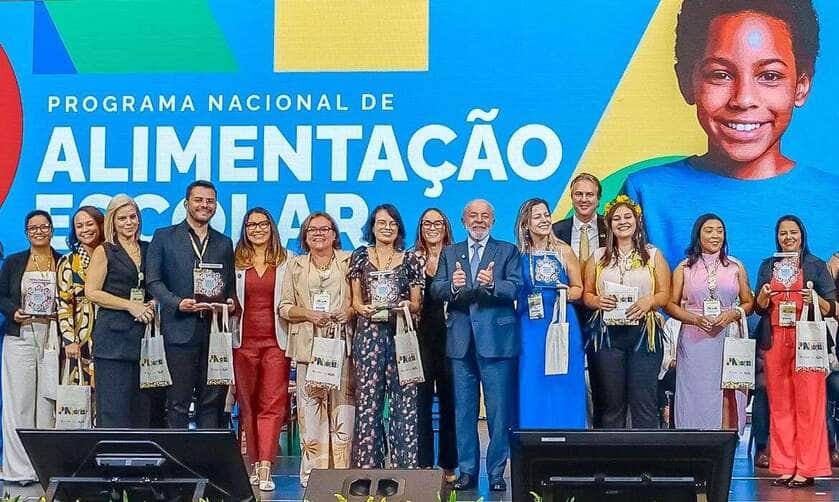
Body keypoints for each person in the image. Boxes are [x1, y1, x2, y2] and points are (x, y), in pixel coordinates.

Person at [622, 0, 839, 278]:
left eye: (769, 76)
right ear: (687, 82)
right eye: (720, 75)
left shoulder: (833, 197)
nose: (743, 99)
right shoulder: (645, 192)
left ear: (801, 85)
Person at [430, 199, 522, 492]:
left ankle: (496, 472)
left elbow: (517, 286)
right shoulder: (450, 252)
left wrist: (493, 284)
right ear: (463, 220)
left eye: (485, 216)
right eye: (473, 215)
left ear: (493, 221)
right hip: (460, 344)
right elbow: (436, 289)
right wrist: (454, 287)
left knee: (498, 413)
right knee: (464, 413)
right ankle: (466, 471)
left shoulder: (507, 250)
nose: (479, 220)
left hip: (497, 343)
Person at [754, 215, 836, 487]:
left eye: (793, 232)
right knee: (780, 405)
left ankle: (808, 467)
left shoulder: (815, 265)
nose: (788, 237)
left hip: (807, 342)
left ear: (802, 235)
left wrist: (815, 299)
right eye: (783, 233)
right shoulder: (769, 266)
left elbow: (834, 307)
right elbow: (758, 306)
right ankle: (785, 465)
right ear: (776, 237)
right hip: (775, 339)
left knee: (810, 404)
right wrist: (764, 296)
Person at [146, 180, 236, 428]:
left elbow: (229, 288)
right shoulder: (164, 236)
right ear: (187, 203)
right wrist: (176, 303)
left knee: (212, 402)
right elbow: (153, 281)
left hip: (214, 333)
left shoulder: (224, 242)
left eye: (210, 201)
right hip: (178, 331)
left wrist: (228, 305)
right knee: (178, 402)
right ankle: (177, 465)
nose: (204, 205)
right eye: (199, 200)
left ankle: (204, 463)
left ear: (216, 206)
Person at [279, 212, 355, 487]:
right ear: (305, 236)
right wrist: (309, 314)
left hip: (341, 346)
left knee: (342, 411)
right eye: (312, 230)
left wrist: (347, 312)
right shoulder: (295, 265)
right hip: (308, 348)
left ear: (335, 234)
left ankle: (343, 472)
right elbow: (284, 307)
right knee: (310, 412)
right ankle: (314, 475)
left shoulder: (349, 262)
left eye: (325, 229)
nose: (319, 234)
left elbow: (359, 301)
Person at [582, 195, 671, 429]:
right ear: (609, 224)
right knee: (611, 402)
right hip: (607, 335)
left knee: (644, 401)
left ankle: (646, 462)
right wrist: (598, 301)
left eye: (627, 217)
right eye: (616, 218)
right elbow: (587, 295)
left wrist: (649, 301)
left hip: (644, 335)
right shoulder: (598, 257)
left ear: (637, 221)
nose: (622, 222)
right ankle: (612, 460)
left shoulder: (653, 255)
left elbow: (665, 294)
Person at [348, 204, 423, 469]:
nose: (387, 227)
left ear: (399, 228)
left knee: (404, 403)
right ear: (372, 227)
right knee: (368, 402)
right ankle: (368, 468)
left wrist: (404, 306)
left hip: (400, 334)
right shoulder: (360, 256)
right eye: (381, 223)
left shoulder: (411, 259)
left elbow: (416, 304)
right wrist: (361, 308)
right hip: (368, 336)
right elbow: (355, 302)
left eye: (392, 223)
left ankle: (405, 467)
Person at [665, 214, 753, 431]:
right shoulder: (684, 267)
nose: (715, 235)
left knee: (725, 391)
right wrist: (695, 319)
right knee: (694, 392)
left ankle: (723, 443)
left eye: (720, 231)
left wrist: (733, 313)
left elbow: (749, 302)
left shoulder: (735, 266)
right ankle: (692, 441)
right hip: (695, 341)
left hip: (728, 337)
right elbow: (670, 304)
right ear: (698, 234)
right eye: (709, 230)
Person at [232, 207, 292, 492]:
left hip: (275, 343)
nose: (257, 229)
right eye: (251, 224)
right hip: (242, 343)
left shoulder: (287, 260)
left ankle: (266, 465)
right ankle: (254, 462)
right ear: (244, 230)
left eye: (262, 224)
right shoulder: (234, 261)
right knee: (248, 405)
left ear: (272, 227)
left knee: (272, 404)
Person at [0, 210, 61, 483]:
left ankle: (46, 467)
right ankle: (19, 470)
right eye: (33, 227)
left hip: (53, 335)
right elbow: (1, 295)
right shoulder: (14, 262)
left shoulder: (63, 262)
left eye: (43, 226)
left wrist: (61, 313)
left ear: (51, 229)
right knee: (19, 402)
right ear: (26, 232)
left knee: (49, 401)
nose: (38, 231)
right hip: (20, 334)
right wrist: (13, 312)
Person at [515, 198, 586, 428]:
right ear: (526, 223)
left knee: (563, 378)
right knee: (533, 378)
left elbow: (579, 288)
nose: (544, 220)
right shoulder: (517, 255)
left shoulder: (564, 251)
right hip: (531, 325)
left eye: (547, 215)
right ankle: (533, 434)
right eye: (537, 216)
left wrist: (566, 294)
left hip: (562, 321)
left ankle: (570, 435)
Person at [86, 195, 155, 428]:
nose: (128, 223)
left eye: (133, 217)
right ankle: (111, 461)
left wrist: (154, 302)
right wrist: (129, 305)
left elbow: (156, 284)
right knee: (114, 408)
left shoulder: (148, 249)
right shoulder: (104, 251)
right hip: (113, 339)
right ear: (112, 222)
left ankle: (139, 461)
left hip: (143, 340)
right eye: (122, 218)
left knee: (141, 407)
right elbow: (92, 292)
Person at [552, 172, 609, 427]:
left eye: (589, 195)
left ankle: (601, 438)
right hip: (567, 312)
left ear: (598, 199)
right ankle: (569, 431)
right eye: (579, 194)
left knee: (604, 378)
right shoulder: (555, 231)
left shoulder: (612, 227)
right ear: (572, 197)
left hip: (603, 313)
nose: (584, 199)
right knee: (566, 374)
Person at [411, 208, 457, 480]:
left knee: (452, 403)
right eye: (426, 222)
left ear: (446, 226)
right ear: (420, 228)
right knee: (422, 403)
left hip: (453, 338)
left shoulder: (457, 256)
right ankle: (424, 465)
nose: (432, 227)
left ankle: (449, 465)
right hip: (421, 338)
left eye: (437, 223)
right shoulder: (411, 258)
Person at [57, 206, 104, 387]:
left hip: (112, 335)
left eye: (89, 224)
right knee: (81, 399)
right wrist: (70, 340)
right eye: (79, 226)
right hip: (81, 339)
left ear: (101, 225)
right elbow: (63, 304)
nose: (85, 230)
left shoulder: (114, 256)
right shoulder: (69, 261)